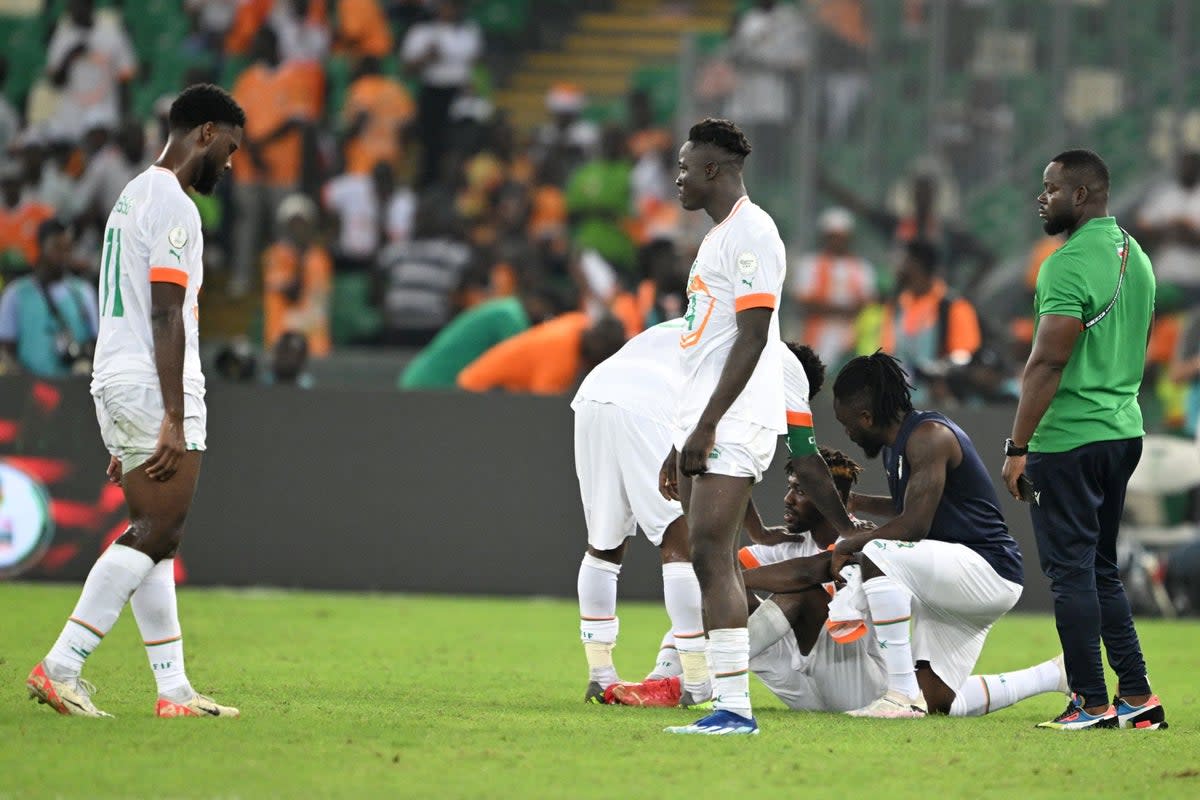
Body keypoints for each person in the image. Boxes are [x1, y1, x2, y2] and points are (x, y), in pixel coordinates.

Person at [25, 84, 245, 719]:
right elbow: (167, 312)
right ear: (205, 132)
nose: (229, 164)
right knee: (158, 529)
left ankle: (173, 690)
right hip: (153, 382)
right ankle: (61, 665)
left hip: (117, 376)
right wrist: (173, 416)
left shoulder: (130, 195)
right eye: (228, 148)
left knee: (159, 540)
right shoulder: (175, 204)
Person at [661, 118, 855, 736]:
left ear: (713, 169)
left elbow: (753, 338)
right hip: (703, 423)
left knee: (716, 555)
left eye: (687, 167)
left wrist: (709, 425)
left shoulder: (752, 233)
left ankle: (733, 708)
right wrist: (680, 436)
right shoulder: (720, 237)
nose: (679, 177)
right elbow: (704, 345)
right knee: (707, 557)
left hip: (733, 423)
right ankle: (725, 701)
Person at [1002, 149, 1166, 731]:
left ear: (1083, 194)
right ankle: (1138, 695)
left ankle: (1091, 703)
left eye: (1050, 188)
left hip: (1069, 439)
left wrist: (1017, 447)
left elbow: (1047, 362)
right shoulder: (1135, 256)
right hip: (1123, 431)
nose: (1041, 198)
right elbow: (1137, 340)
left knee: (1071, 572)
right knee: (1099, 569)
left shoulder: (1066, 263)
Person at [830, 352, 1024, 718]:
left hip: (987, 570)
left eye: (846, 423)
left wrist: (850, 542)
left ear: (866, 417)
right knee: (936, 702)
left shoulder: (929, 436)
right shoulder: (900, 443)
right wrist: (856, 501)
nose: (848, 433)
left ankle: (899, 696)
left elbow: (914, 525)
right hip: (957, 576)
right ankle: (1053, 674)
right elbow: (914, 505)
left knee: (877, 553)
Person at [398, 288, 558, 390]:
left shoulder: (504, 308)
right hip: (430, 385)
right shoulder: (510, 316)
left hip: (421, 380)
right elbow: (521, 362)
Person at [0, 219, 99, 378]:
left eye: (68, 249)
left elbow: (97, 344)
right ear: (41, 247)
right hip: (29, 390)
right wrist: (25, 380)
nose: (63, 256)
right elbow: (6, 350)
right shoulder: (16, 294)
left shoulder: (83, 293)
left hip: (75, 387)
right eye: (56, 248)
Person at [457, 312, 625, 396]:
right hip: (479, 392)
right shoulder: (562, 359)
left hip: (484, 383)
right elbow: (541, 408)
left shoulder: (578, 320)